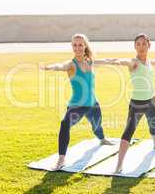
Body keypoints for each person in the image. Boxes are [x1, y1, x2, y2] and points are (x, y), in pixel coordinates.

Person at [40, 33, 116, 170]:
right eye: (75, 45)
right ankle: (61, 159)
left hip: (93, 103)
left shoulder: (90, 61)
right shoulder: (71, 65)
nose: (77, 48)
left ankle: (103, 140)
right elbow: (60, 66)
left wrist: (117, 60)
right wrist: (49, 67)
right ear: (72, 47)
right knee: (64, 124)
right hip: (78, 106)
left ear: (85, 45)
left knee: (97, 127)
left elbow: (106, 60)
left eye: (80, 44)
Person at [111, 33, 155, 173]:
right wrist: (116, 62)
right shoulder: (134, 62)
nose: (141, 46)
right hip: (137, 103)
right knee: (129, 131)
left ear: (149, 45)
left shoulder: (149, 61)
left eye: (144, 43)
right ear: (135, 47)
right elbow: (123, 61)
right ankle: (119, 164)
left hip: (151, 100)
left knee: (154, 124)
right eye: (138, 44)